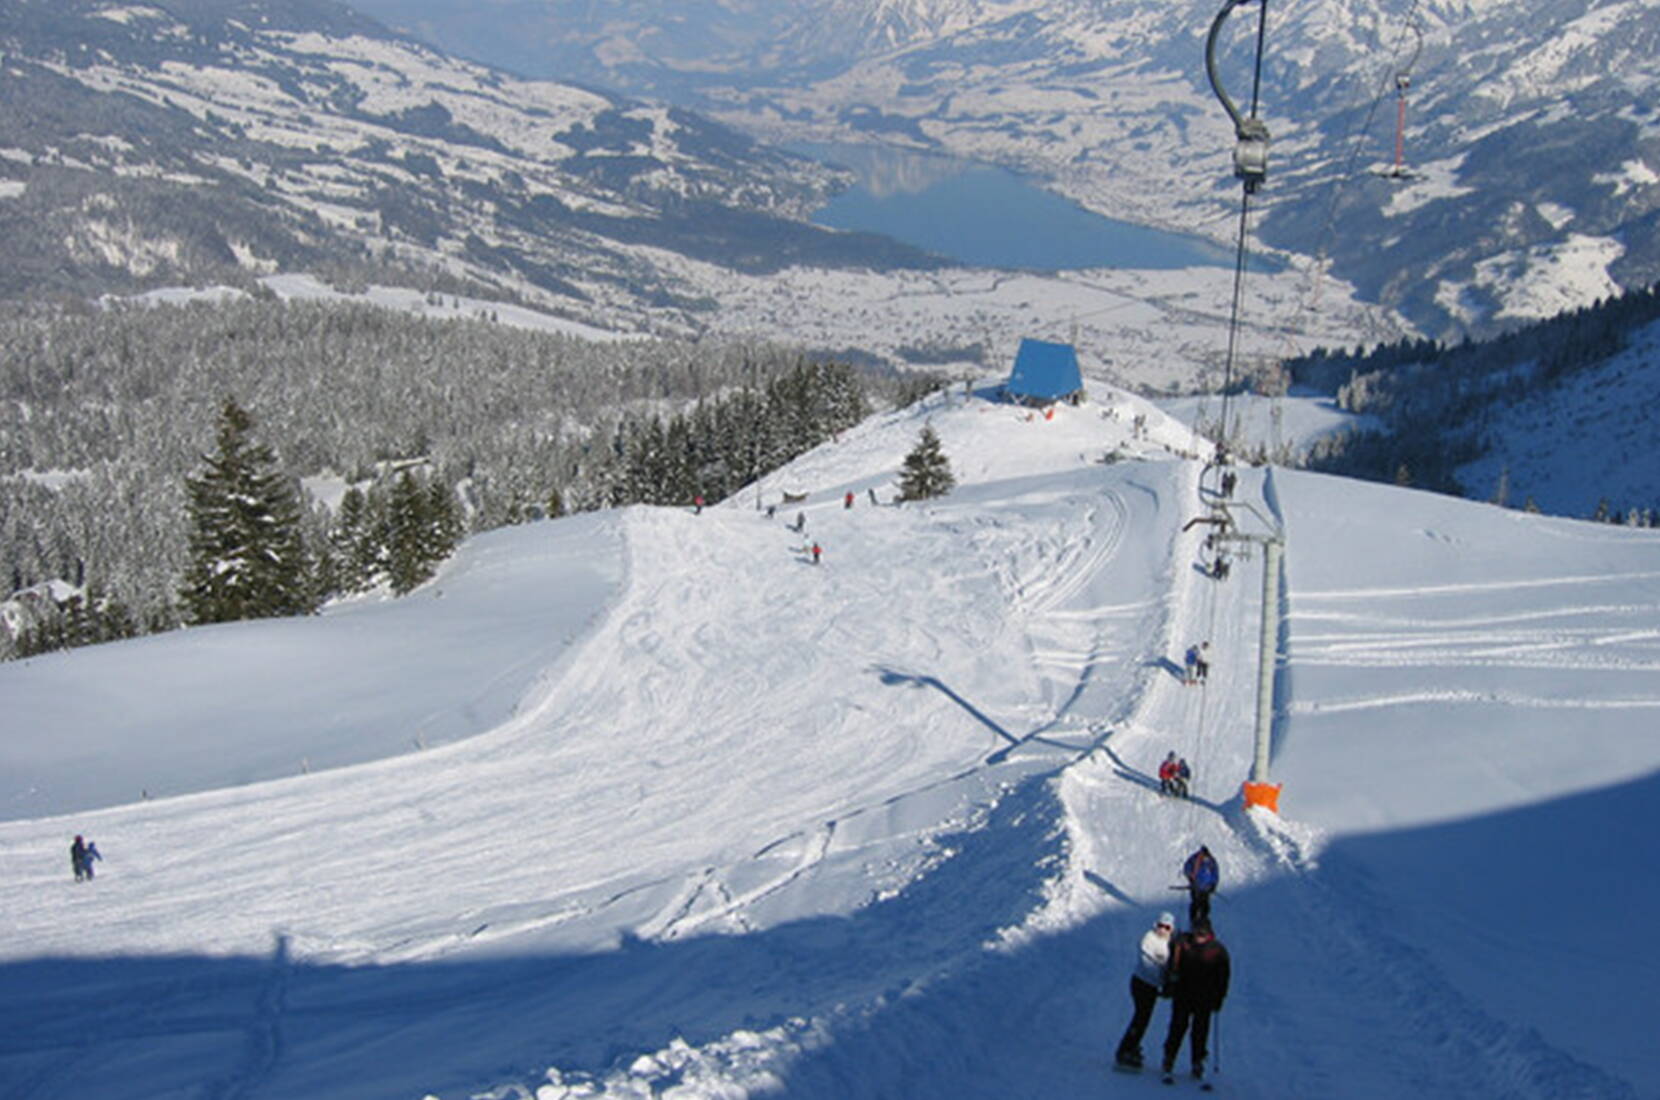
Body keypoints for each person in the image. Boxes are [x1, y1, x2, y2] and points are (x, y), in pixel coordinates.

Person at [1161, 919, 1230, 1082]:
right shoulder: (1183, 944)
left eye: (1203, 934)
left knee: (1200, 1031)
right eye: (1197, 932)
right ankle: (1169, 1058)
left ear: (1209, 934)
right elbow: (1172, 963)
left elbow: (1223, 978)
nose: (1199, 937)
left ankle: (1197, 1061)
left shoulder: (1218, 951)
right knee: (1177, 1028)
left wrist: (1219, 998)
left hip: (1204, 999)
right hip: (1183, 995)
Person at [1115, 911, 1175, 1069]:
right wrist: (1164, 980)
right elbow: (1150, 965)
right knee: (1141, 1017)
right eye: (1160, 926)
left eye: (1167, 927)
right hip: (1142, 983)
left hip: (1153, 986)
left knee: (1144, 1018)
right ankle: (1125, 1049)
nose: (1163, 930)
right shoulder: (1149, 939)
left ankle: (1133, 1044)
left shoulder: (1170, 943)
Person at [1182, 845, 1219, 925]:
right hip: (1196, 885)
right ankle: (1193, 920)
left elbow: (1215, 873)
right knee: (1196, 902)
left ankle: (1204, 919)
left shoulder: (1211, 861)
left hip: (1206, 887)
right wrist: (1190, 876)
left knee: (1205, 903)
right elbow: (1186, 867)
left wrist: (1213, 884)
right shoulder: (1194, 859)